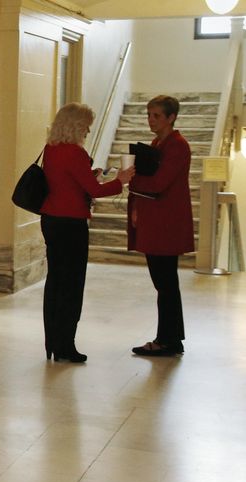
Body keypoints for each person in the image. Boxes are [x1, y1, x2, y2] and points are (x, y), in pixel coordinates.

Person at [40, 103, 135, 362]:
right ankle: (66, 345)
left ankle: (52, 342)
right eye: (86, 127)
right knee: (72, 285)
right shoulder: (75, 153)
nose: (88, 131)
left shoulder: (51, 149)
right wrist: (121, 180)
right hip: (71, 224)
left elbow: (69, 182)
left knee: (55, 282)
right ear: (77, 126)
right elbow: (95, 191)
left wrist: (91, 176)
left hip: (51, 220)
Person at [127, 95, 193, 357]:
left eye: (156, 115)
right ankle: (171, 338)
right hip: (157, 221)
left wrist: (130, 180)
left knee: (165, 284)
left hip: (166, 223)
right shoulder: (158, 142)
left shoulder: (177, 145)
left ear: (171, 117)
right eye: (149, 114)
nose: (150, 120)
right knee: (164, 284)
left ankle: (167, 340)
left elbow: (158, 184)